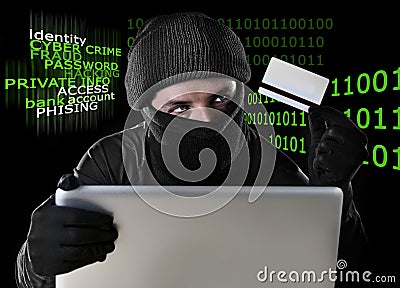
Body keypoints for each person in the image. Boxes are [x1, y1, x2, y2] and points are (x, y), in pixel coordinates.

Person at [15, 12, 369, 288]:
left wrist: (338, 202)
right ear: (147, 107)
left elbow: (342, 273)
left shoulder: (273, 168)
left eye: (220, 99)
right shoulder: (110, 159)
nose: (206, 119)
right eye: (179, 107)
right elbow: (49, 277)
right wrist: (36, 262)